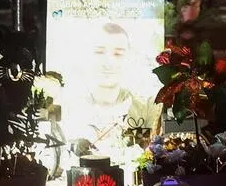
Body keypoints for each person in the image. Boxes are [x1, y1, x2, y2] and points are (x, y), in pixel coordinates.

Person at [64, 20, 161, 156]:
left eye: (118, 54)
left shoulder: (146, 108)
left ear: (129, 58)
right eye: (99, 52)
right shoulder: (69, 108)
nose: (108, 62)